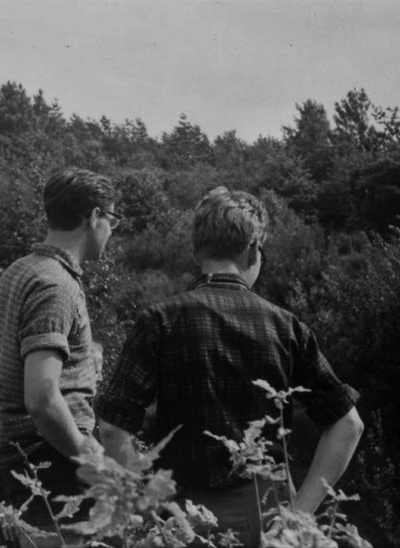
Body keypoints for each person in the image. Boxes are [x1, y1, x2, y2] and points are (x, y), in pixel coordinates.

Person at [95, 186, 363, 547]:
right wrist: (300, 516)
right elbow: (348, 425)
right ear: (253, 249)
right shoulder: (287, 327)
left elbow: (113, 428)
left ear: (197, 251)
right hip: (267, 517)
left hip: (181, 517)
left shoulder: (159, 321)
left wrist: (145, 506)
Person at [0, 167, 118, 546]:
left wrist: (83, 358)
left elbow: (10, 368)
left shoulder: (20, 271)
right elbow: (41, 398)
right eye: (112, 220)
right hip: (47, 466)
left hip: (8, 460)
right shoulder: (55, 284)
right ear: (94, 216)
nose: (111, 231)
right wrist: (88, 456)